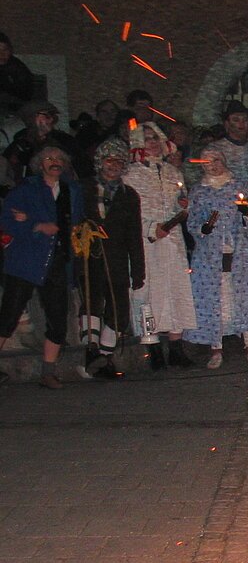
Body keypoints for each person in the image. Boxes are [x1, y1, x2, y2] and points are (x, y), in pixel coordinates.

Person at [0, 146, 83, 388]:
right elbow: (6, 221)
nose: (54, 162)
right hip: (25, 260)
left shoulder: (72, 190)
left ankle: (48, 371)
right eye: (49, 158)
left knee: (58, 319)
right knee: (8, 316)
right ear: (40, 163)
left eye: (59, 158)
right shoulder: (26, 190)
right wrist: (35, 226)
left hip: (57, 261)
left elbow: (75, 223)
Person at [184, 146, 248, 368]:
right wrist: (203, 229)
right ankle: (216, 348)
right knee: (217, 298)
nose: (213, 165)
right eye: (207, 162)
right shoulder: (199, 191)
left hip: (237, 250)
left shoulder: (238, 185)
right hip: (210, 255)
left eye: (216, 160)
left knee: (242, 296)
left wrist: (247, 213)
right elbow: (193, 221)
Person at [123, 123, 197, 368]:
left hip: (173, 241)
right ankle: (152, 346)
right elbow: (129, 213)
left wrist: (182, 204)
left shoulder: (172, 173)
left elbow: (179, 206)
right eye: (146, 139)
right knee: (149, 293)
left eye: (155, 137)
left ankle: (176, 345)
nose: (152, 142)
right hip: (147, 242)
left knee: (176, 290)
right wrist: (150, 228)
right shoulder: (130, 175)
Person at [78, 138, 145, 379]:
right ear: (100, 162)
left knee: (119, 311)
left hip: (117, 258)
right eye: (109, 160)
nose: (113, 165)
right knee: (92, 302)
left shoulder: (129, 195)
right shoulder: (83, 188)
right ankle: (91, 351)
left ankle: (105, 358)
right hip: (89, 255)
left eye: (118, 160)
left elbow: (134, 234)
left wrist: (138, 270)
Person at [211, 100, 248, 183]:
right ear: (227, 124)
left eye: (245, 120)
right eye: (236, 120)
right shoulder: (215, 149)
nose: (241, 124)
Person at [0, 32, 35, 116]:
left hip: (13, 107)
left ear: (10, 50)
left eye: (5, 50)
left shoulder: (18, 67)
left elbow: (26, 93)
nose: (1, 54)